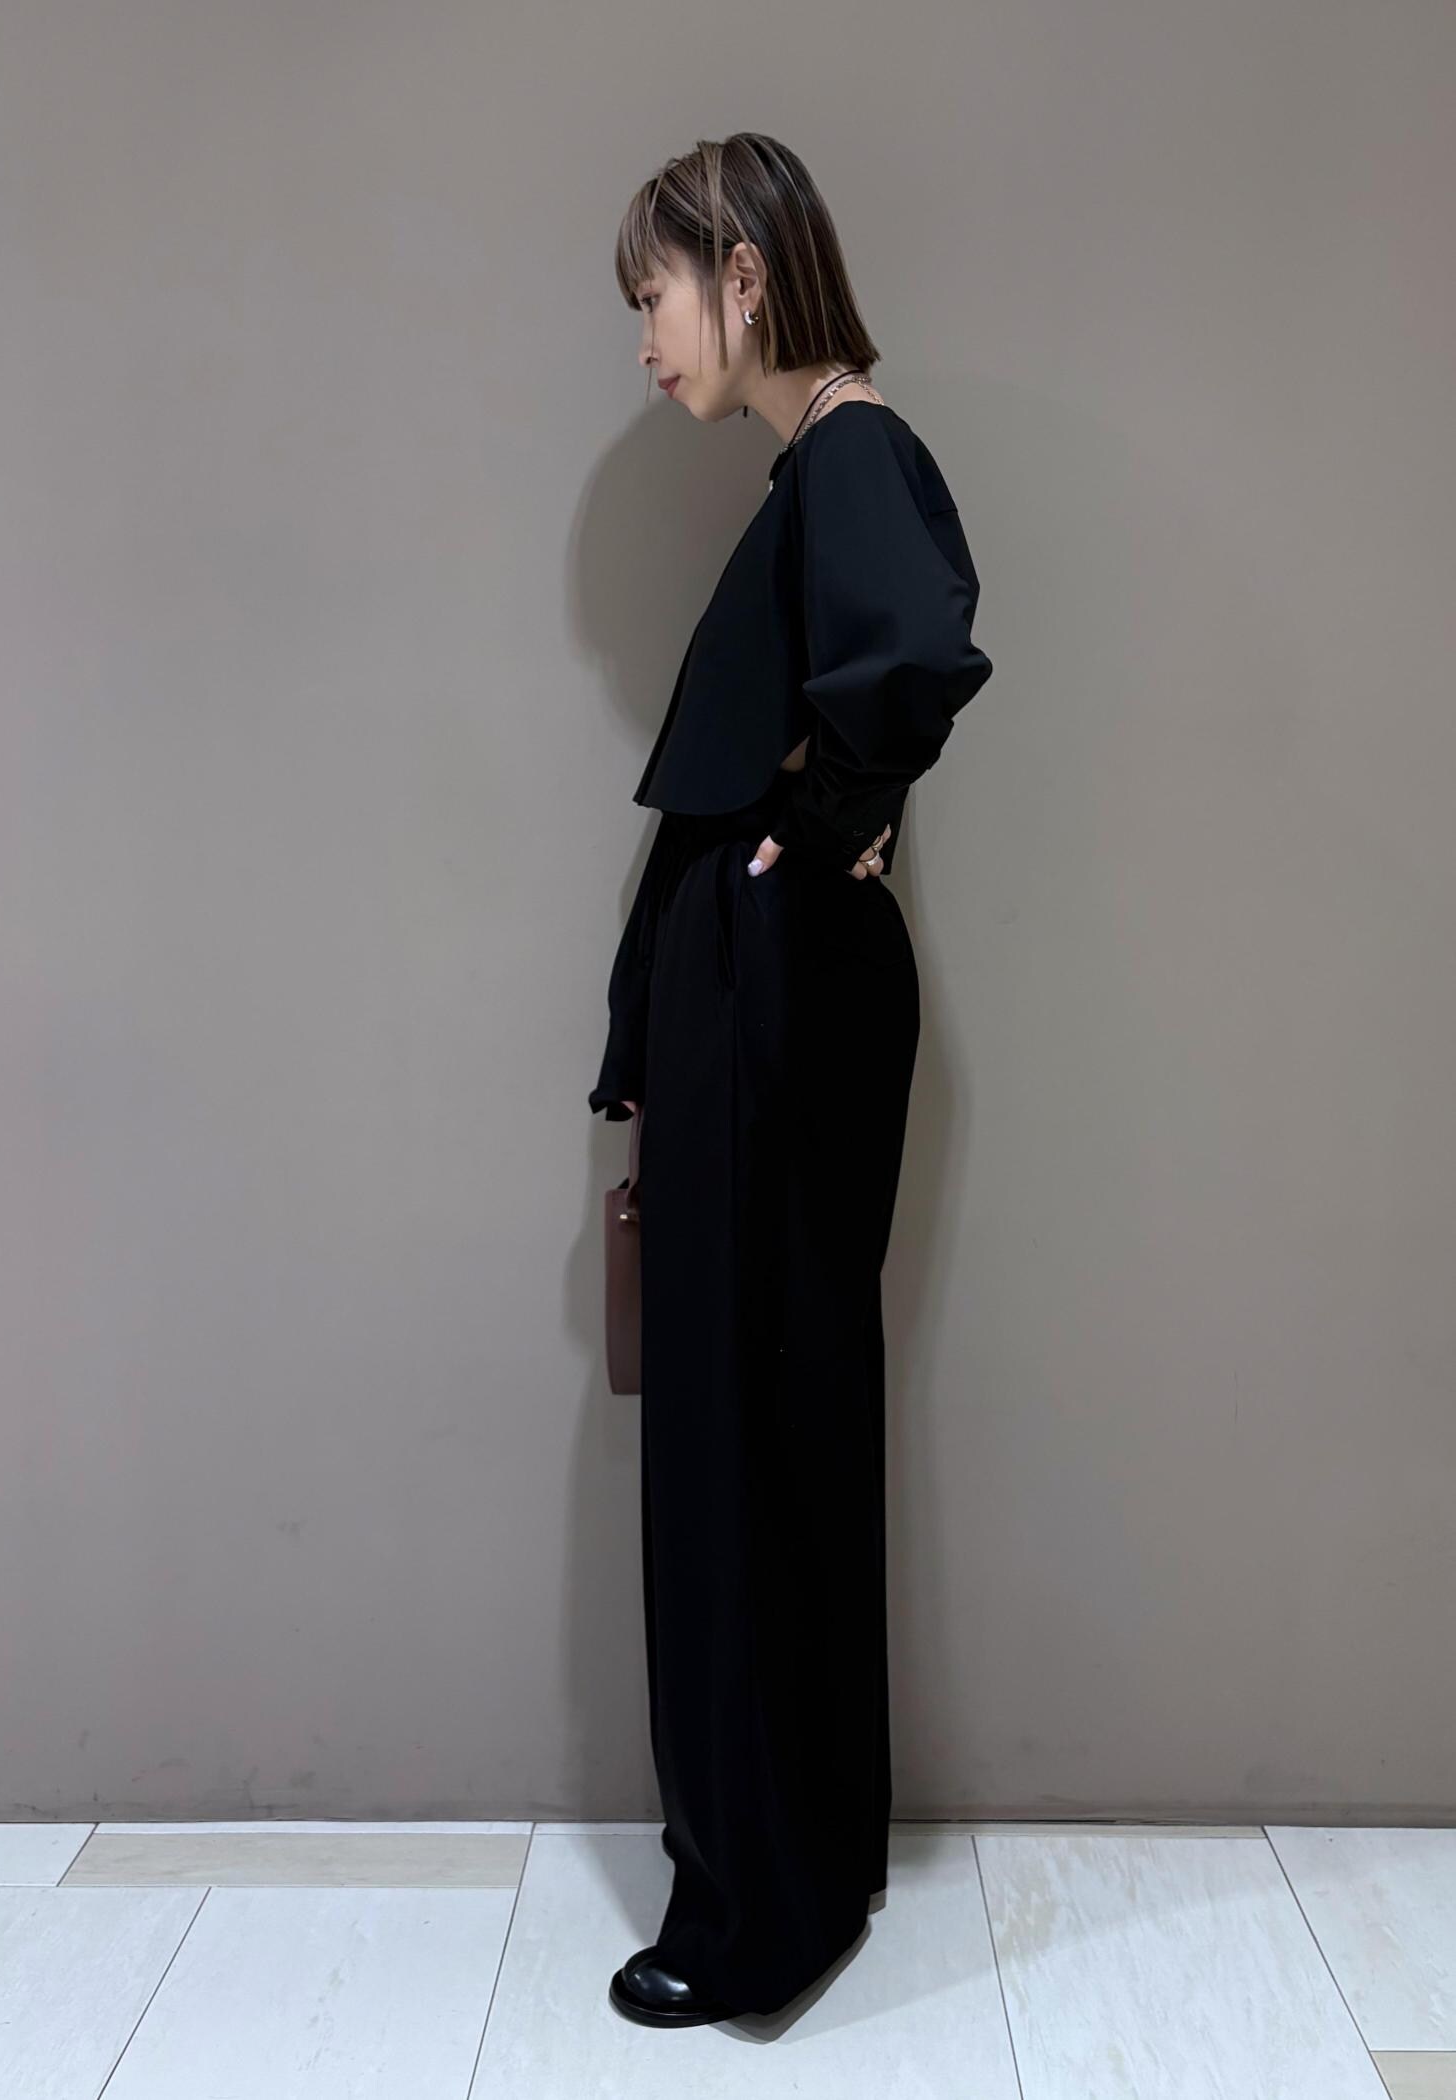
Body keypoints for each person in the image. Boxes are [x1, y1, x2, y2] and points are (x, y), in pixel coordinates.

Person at [589, 132, 994, 2028]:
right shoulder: (820, 461)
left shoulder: (849, 452)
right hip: (758, 998)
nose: (645, 342)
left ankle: (755, 1909)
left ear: (745, 271)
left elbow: (913, 660)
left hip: (775, 1000)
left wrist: (816, 829)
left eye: (655, 296)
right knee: (775, 1415)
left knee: (747, 1430)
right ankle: (797, 1861)